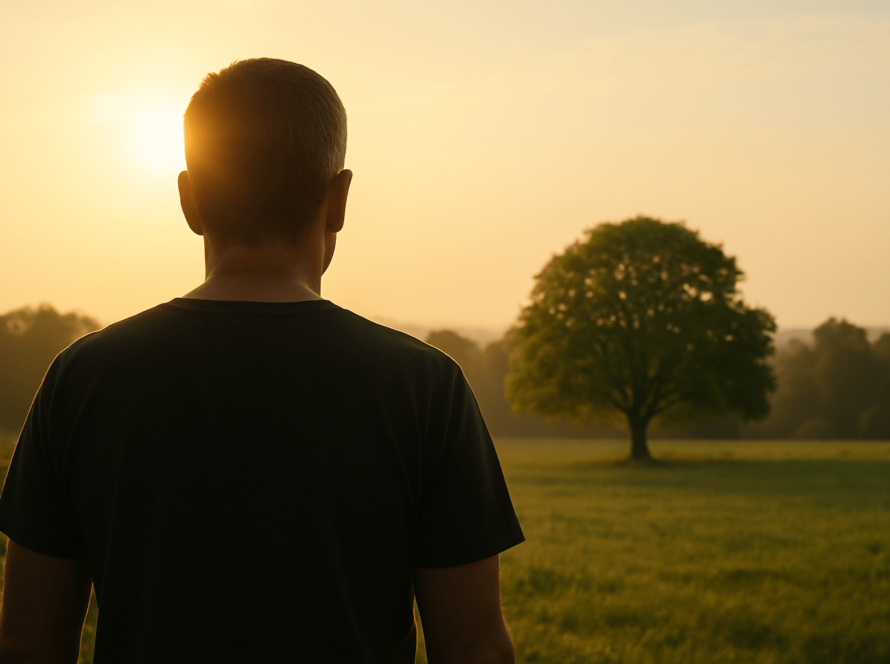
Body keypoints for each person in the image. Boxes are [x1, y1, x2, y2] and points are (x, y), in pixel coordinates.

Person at [0, 58, 523, 663]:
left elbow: (26, 644)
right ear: (339, 199)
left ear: (189, 199)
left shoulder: (82, 379)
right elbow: (476, 647)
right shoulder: (426, 388)